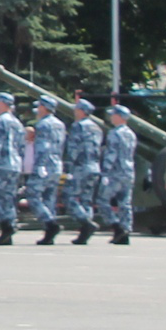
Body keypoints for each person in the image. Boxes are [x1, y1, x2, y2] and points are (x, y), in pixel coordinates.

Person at [0, 93, 25, 245]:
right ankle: (8, 230)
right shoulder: (17, 123)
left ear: (3, 103)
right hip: (15, 165)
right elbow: (21, 147)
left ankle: (6, 226)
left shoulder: (0, 121)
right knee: (8, 199)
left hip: (1, 165)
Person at [63, 98, 103, 245]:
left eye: (76, 109)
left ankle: (86, 223)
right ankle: (85, 232)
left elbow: (73, 149)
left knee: (69, 197)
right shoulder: (96, 127)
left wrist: (69, 168)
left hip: (80, 167)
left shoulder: (78, 126)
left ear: (81, 111)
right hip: (94, 166)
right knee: (86, 199)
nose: (74, 112)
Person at [28, 98, 67, 244]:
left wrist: (40, 165)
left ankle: (50, 224)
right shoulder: (60, 124)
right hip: (56, 164)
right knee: (49, 199)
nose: (37, 110)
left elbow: (42, 147)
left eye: (39, 107)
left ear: (44, 108)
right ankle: (49, 234)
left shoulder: (43, 124)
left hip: (45, 165)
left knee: (32, 195)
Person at [100, 105, 138, 245]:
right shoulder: (131, 133)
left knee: (102, 200)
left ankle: (117, 227)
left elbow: (111, 154)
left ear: (119, 117)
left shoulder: (114, 133)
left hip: (115, 173)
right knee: (125, 203)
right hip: (128, 172)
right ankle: (126, 231)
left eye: (113, 115)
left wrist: (105, 172)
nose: (111, 117)